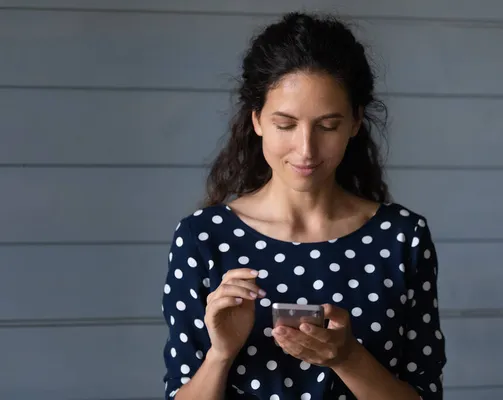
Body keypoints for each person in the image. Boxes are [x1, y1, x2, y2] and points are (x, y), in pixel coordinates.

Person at [161, 11, 446, 400]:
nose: (306, 150)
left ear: (355, 122)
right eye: (285, 125)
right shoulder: (203, 237)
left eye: (327, 126)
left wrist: (347, 358)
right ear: (257, 119)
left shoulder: (402, 238)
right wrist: (220, 354)